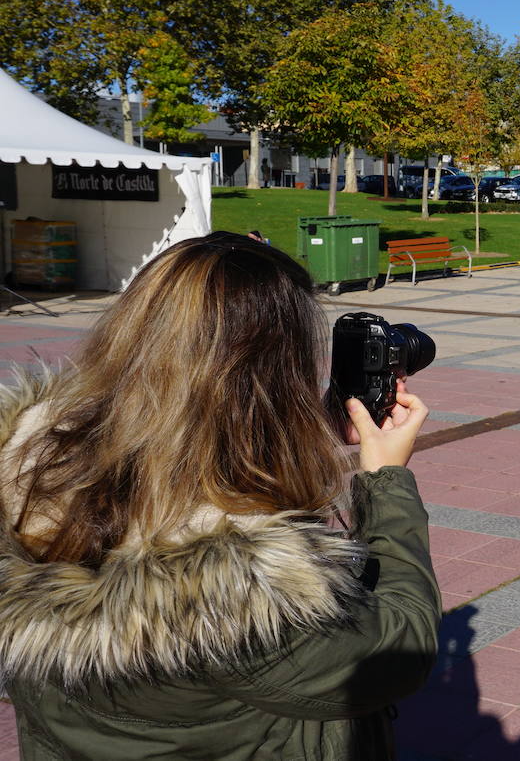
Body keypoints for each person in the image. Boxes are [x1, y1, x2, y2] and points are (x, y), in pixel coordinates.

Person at [0, 232, 438, 759]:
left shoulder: (29, 470)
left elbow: (166, 448)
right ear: (272, 384)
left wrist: (302, 432)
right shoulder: (236, 597)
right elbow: (398, 651)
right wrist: (385, 481)